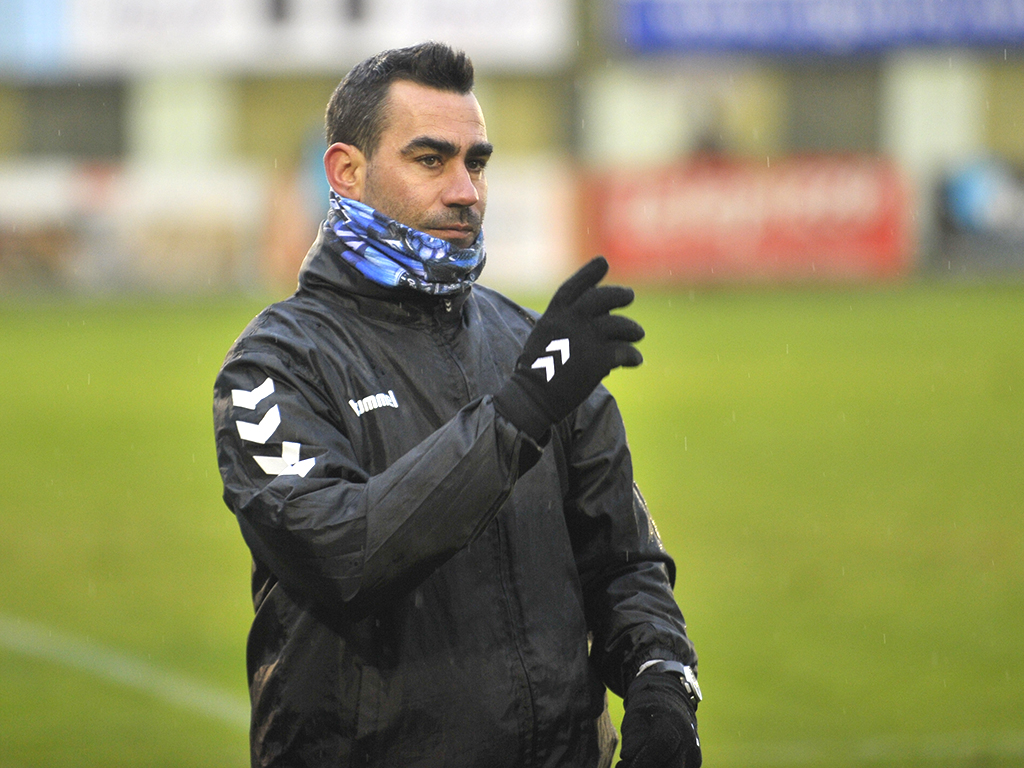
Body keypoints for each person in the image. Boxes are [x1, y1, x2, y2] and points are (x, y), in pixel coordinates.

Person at [213, 41, 701, 768]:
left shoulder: (531, 349)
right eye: (430, 159)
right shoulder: (274, 367)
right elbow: (344, 554)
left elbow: (625, 561)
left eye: (476, 163)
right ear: (347, 172)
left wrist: (662, 685)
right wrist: (514, 418)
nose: (466, 190)